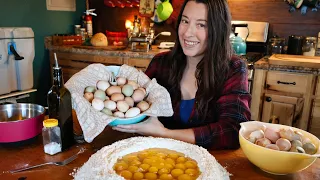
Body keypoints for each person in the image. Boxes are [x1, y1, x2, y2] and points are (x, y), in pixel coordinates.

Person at [113, 0, 251, 149]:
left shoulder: (233, 69)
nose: (187, 32)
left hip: (207, 165)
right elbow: (138, 105)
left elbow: (233, 131)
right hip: (156, 159)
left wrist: (164, 133)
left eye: (201, 24)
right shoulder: (161, 63)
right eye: (185, 21)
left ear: (218, 30)